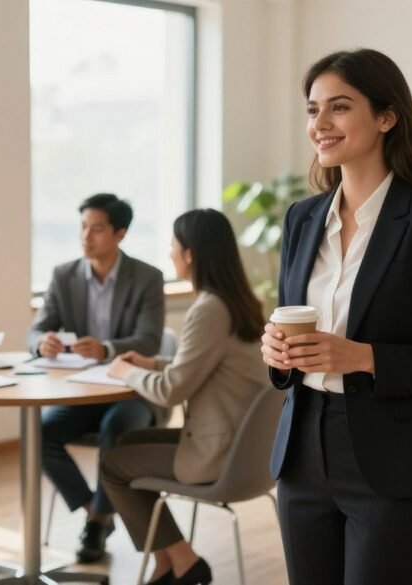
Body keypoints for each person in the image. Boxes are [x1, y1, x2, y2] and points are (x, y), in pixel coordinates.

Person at [259, 49, 412, 585]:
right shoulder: (302, 217)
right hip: (302, 455)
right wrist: (275, 352)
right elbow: (287, 322)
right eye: (313, 109)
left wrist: (363, 357)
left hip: (393, 463)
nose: (321, 124)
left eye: (339, 107)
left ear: (387, 117)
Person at [101, 209, 266, 585]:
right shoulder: (235, 301)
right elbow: (202, 365)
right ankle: (166, 566)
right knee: (129, 442)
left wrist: (127, 370)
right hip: (242, 448)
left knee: (114, 464)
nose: (170, 252)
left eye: (174, 244)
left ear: (191, 253)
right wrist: (151, 362)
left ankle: (184, 561)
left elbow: (172, 391)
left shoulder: (208, 309)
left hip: (218, 453)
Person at [27, 193, 166, 562]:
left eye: (97, 229)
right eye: (83, 227)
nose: (86, 236)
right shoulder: (64, 275)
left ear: (119, 234)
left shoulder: (148, 278)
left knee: (116, 431)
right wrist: (44, 342)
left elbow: (150, 340)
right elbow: (35, 330)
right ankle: (94, 510)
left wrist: (105, 348)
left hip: (131, 392)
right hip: (79, 392)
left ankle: (99, 521)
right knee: (39, 432)